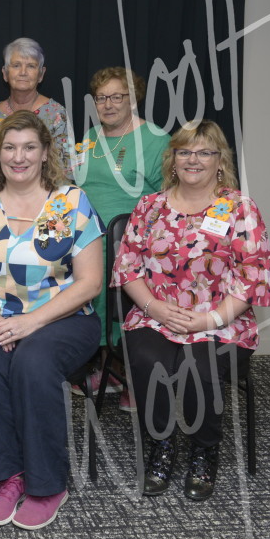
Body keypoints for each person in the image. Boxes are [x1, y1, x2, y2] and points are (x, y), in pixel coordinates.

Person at [0, 111, 104, 530]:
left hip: (61, 317)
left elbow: (90, 283)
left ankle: (48, 484)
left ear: (45, 152)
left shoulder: (71, 202)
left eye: (29, 147)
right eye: (10, 148)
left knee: (33, 362)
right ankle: (9, 476)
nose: (20, 157)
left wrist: (31, 322)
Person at [112, 120, 270, 501]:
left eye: (204, 152)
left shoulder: (240, 209)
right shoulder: (149, 207)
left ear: (220, 160)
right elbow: (127, 268)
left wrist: (208, 319)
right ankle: (162, 444)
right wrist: (155, 308)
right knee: (148, 360)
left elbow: (252, 278)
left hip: (221, 320)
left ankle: (204, 450)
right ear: (173, 160)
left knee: (198, 368)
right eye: (184, 151)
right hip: (155, 314)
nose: (193, 159)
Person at [70, 67, 170, 411]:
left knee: (127, 309)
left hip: (131, 245)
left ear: (133, 98)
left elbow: (168, 198)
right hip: (88, 241)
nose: (108, 104)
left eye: (117, 97)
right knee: (95, 305)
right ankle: (110, 370)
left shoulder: (156, 139)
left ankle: (135, 378)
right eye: (101, 98)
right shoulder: (90, 137)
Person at [0, 38, 70, 173]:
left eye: (31, 66)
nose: (23, 72)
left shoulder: (56, 114)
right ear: (5, 73)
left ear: (41, 74)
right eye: (16, 65)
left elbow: (63, 170)